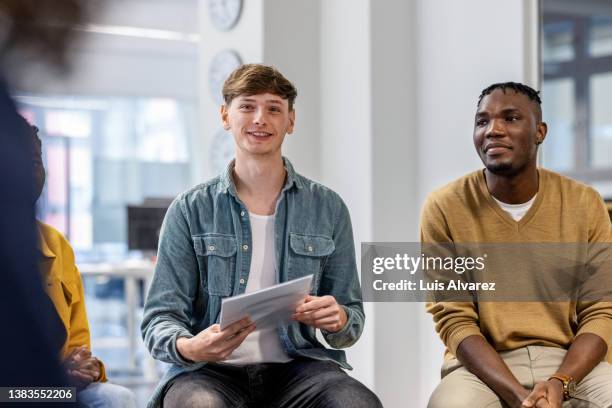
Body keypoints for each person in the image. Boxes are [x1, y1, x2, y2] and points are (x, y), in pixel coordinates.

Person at [141, 64, 381, 408]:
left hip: (298, 367)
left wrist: (338, 318)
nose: (260, 119)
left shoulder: (328, 208)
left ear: (291, 121)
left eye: (273, 109)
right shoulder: (189, 209)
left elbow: (351, 318)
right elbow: (159, 318)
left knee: (357, 404)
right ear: (226, 116)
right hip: (208, 371)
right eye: (247, 106)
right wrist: (189, 347)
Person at [423, 82, 612, 408]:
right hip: (481, 369)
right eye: (482, 121)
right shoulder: (444, 207)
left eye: (510, 118)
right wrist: (519, 396)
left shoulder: (585, 203)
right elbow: (454, 319)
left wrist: (561, 383)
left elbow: (600, 311)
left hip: (570, 361)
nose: (493, 130)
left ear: (540, 132)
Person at [30, 125, 137, 408]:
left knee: (118, 399)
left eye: (35, 162)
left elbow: (79, 344)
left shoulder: (56, 244)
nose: (29, 173)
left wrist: (84, 368)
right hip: (12, 392)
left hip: (55, 389)